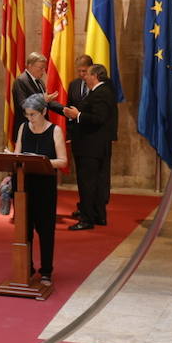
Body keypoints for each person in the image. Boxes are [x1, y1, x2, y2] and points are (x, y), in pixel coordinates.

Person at [16, 93, 68, 283]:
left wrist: (43, 162)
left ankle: (46, 270)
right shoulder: (23, 127)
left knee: (45, 230)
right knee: (24, 229)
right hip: (24, 185)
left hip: (45, 186)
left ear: (44, 111)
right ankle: (26, 267)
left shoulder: (54, 130)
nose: (30, 119)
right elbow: (17, 154)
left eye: (33, 115)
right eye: (27, 115)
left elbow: (63, 161)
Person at [62, 56, 117, 229]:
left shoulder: (101, 92)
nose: (85, 77)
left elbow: (99, 118)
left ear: (95, 76)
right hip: (92, 146)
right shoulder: (101, 91)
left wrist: (77, 115)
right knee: (96, 182)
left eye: (88, 74)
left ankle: (86, 219)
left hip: (90, 147)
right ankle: (98, 215)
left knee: (88, 183)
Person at [10, 52, 56, 144]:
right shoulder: (21, 81)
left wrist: (64, 110)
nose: (43, 71)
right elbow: (23, 104)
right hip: (27, 129)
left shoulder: (40, 82)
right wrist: (42, 99)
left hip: (40, 129)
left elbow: (47, 103)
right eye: (41, 68)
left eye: (44, 68)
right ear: (30, 66)